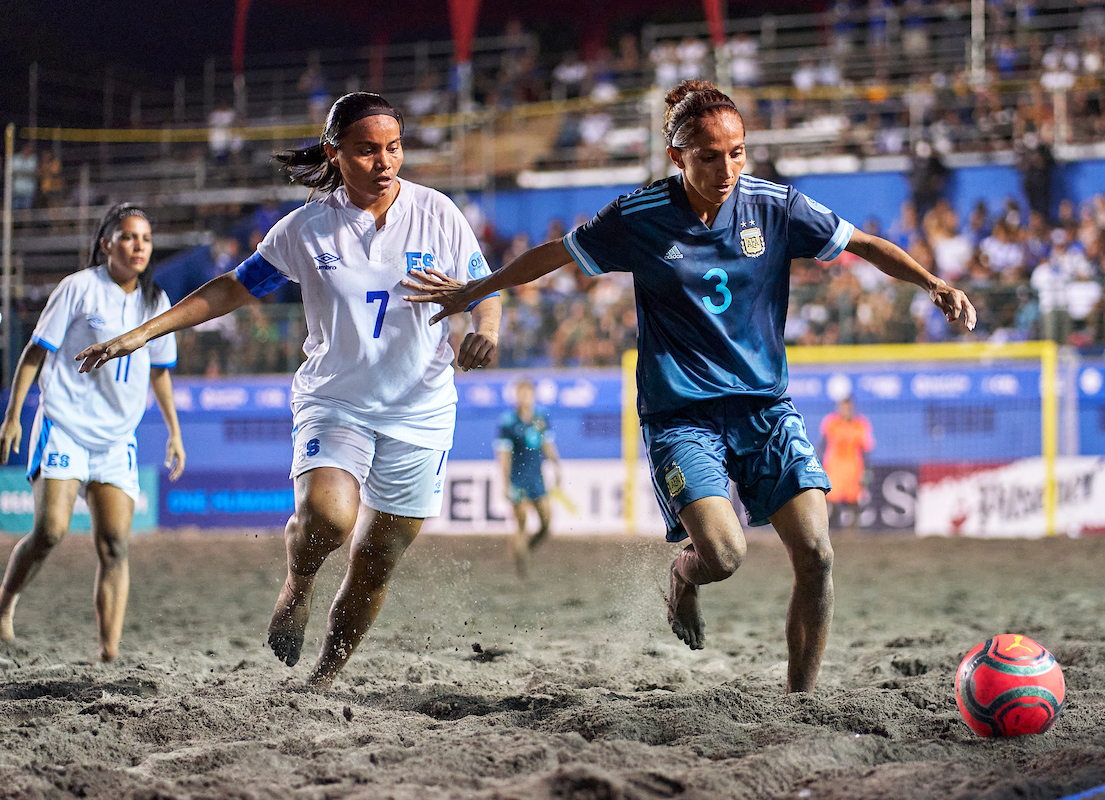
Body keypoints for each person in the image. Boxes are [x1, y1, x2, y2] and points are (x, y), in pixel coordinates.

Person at [404, 80, 976, 693]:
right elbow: (554, 254)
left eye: (737, 152)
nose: (726, 167)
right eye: (709, 155)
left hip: (766, 411)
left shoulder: (775, 206)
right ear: (676, 157)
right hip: (682, 419)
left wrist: (932, 284)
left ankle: (800, 701)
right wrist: (477, 289)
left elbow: (861, 243)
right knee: (725, 556)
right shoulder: (638, 216)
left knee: (817, 553)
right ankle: (684, 575)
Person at [76, 93, 502, 690]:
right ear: (335, 154)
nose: (385, 163)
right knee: (329, 516)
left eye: (394, 148)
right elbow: (232, 288)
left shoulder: (439, 213)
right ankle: (298, 585)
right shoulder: (307, 227)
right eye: (367, 150)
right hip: (335, 400)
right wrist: (143, 332)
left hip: (422, 410)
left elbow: (487, 287)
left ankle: (323, 679)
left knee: (375, 563)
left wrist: (484, 331)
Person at [0, 203, 186, 661]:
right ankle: (4, 608)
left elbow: (160, 372)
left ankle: (109, 654)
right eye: (127, 236)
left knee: (115, 545)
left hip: (116, 439)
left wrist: (174, 432)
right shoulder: (78, 288)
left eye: (144, 237)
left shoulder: (155, 302)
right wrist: (12, 416)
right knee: (50, 530)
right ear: (106, 244)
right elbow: (35, 352)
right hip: (64, 424)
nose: (138, 245)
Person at [495, 379, 561, 577]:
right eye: (521, 393)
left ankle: (524, 550)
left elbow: (547, 445)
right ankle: (522, 572)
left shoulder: (540, 419)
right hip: (518, 479)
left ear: (533, 395)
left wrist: (556, 466)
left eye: (528, 393)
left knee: (546, 524)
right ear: (516, 395)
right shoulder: (508, 422)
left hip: (537, 478)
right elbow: (504, 455)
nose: (524, 397)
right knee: (521, 523)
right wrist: (505, 483)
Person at [817, 397, 875, 536]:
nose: (845, 411)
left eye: (848, 408)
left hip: (853, 469)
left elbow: (866, 449)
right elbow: (822, 446)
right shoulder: (831, 423)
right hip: (834, 469)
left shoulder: (860, 425)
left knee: (853, 501)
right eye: (843, 407)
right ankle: (834, 533)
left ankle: (852, 533)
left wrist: (867, 470)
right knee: (832, 501)